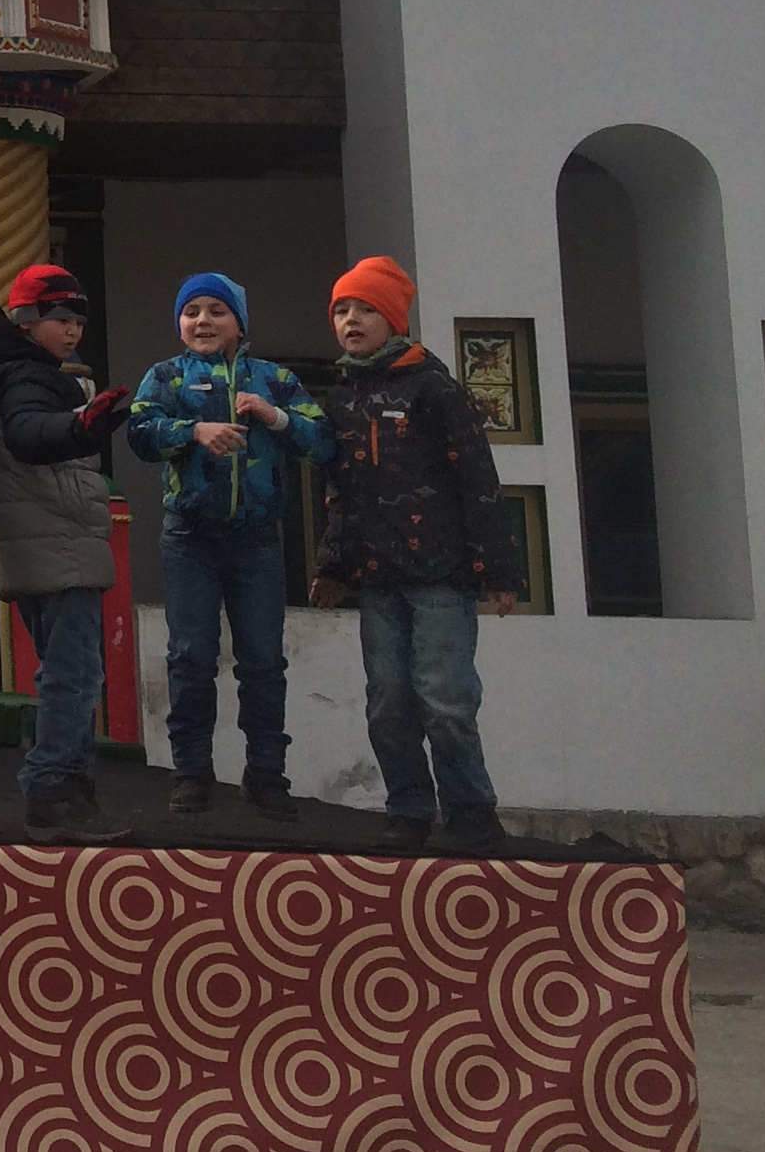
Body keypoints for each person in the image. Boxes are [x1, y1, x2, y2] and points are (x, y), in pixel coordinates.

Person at [312, 256, 524, 855]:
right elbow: (339, 492)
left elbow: (479, 480)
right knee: (387, 704)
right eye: (341, 310)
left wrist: (499, 570)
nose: (351, 320)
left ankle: (470, 811)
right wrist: (332, 566)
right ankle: (407, 808)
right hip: (376, 579)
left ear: (394, 320)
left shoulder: (435, 388)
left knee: (445, 698)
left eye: (366, 309)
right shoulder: (341, 398)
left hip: (441, 576)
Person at [125, 270, 331, 820]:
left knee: (263, 661)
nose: (203, 321)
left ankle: (266, 775)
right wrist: (192, 432)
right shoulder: (165, 376)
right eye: (192, 312)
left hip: (257, 540)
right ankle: (192, 773)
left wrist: (274, 416)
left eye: (216, 311)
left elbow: (322, 442)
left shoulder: (274, 378)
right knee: (190, 657)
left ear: (239, 324)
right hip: (189, 537)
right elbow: (139, 434)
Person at [0, 266, 135, 839]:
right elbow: (30, 436)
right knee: (73, 673)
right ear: (27, 324)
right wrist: (82, 427)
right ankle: (53, 785)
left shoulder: (6, 371)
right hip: (56, 538)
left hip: (39, 539)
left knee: (65, 669)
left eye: (79, 320)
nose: (73, 330)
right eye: (60, 319)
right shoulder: (28, 375)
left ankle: (71, 789)